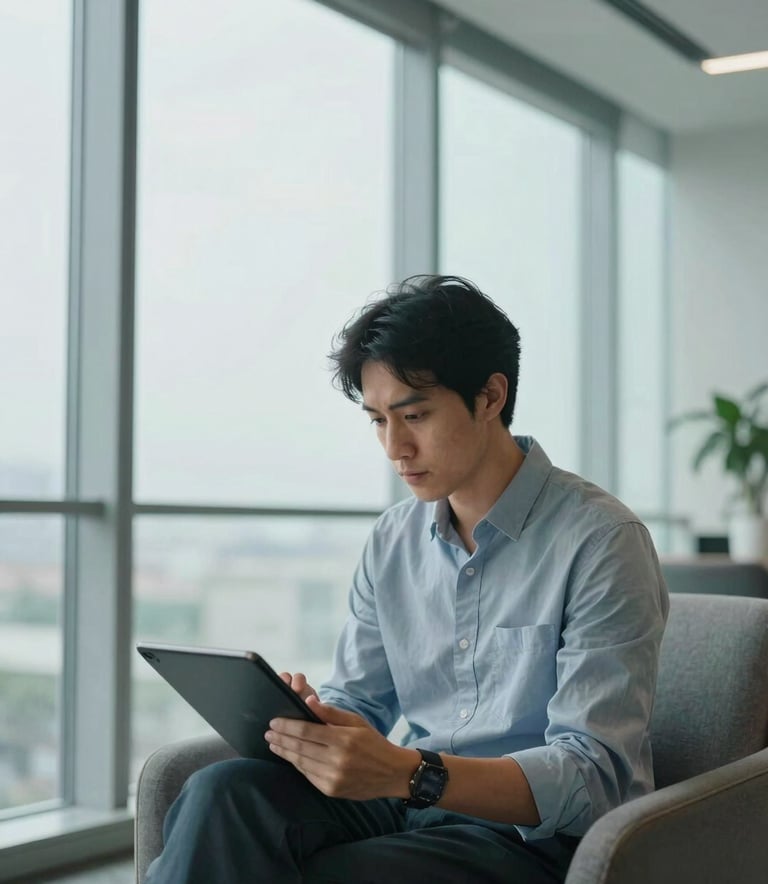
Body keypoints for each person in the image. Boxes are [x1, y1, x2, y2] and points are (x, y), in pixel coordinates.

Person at [145, 274, 669, 883]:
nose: (395, 447)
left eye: (414, 415)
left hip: (529, 840)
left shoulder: (602, 542)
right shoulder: (394, 539)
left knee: (331, 872)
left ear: (491, 395)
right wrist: (314, 719)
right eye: (376, 420)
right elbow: (361, 700)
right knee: (222, 792)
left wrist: (411, 772)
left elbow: (592, 776)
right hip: (406, 801)